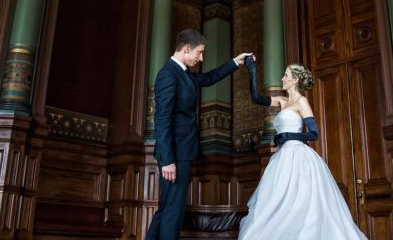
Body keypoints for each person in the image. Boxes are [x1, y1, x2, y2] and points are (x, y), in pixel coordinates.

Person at [238, 56, 368, 240]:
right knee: (278, 204)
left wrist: (288, 136)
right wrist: (251, 70)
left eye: (286, 75)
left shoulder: (302, 102)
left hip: (299, 157)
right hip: (282, 159)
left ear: (295, 79)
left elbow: (313, 134)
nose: (282, 78)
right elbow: (256, 97)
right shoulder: (282, 101)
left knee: (302, 203)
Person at [145, 28, 252, 240]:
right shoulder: (168, 74)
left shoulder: (183, 73)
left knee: (167, 208)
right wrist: (167, 160)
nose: (201, 58)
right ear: (186, 49)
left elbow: (209, 78)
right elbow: (162, 119)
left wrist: (235, 62)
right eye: (200, 52)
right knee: (173, 213)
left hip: (180, 152)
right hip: (175, 154)